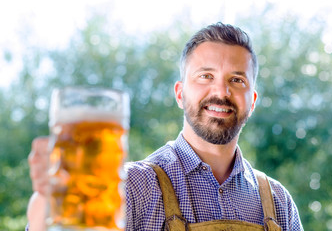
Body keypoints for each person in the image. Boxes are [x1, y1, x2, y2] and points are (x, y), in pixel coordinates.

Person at [27, 22, 303, 230]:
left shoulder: (278, 201)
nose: (221, 91)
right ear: (180, 93)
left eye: (237, 80)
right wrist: (47, 199)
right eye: (205, 76)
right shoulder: (132, 187)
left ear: (252, 101)